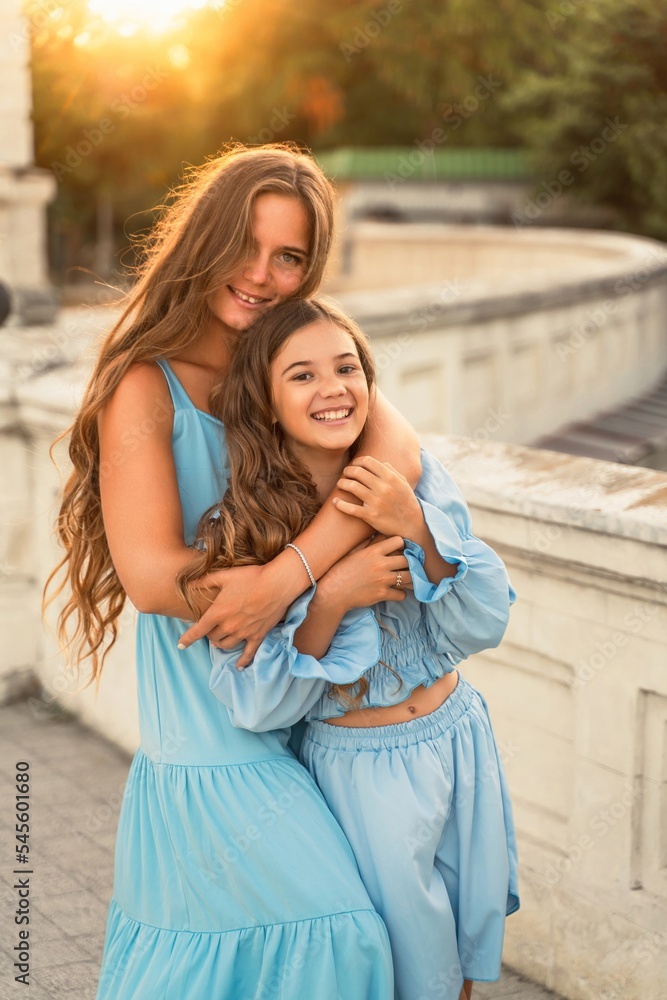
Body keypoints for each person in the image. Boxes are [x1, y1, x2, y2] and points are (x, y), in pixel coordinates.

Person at [45, 144, 427, 999]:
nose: (260, 276)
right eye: (244, 246)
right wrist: (310, 579)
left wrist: (291, 577)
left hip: (306, 714)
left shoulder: (290, 362)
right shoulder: (144, 387)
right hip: (211, 741)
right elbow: (150, 578)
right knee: (339, 942)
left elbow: (395, 445)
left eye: (288, 256)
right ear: (203, 243)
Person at [183, 297, 520, 1000]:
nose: (333, 387)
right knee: (405, 971)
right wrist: (331, 598)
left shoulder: (409, 480)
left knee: (460, 961)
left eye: (347, 367)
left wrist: (415, 526)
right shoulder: (242, 529)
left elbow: (481, 623)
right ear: (266, 403)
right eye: (301, 376)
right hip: (362, 776)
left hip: (458, 739)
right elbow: (260, 703)